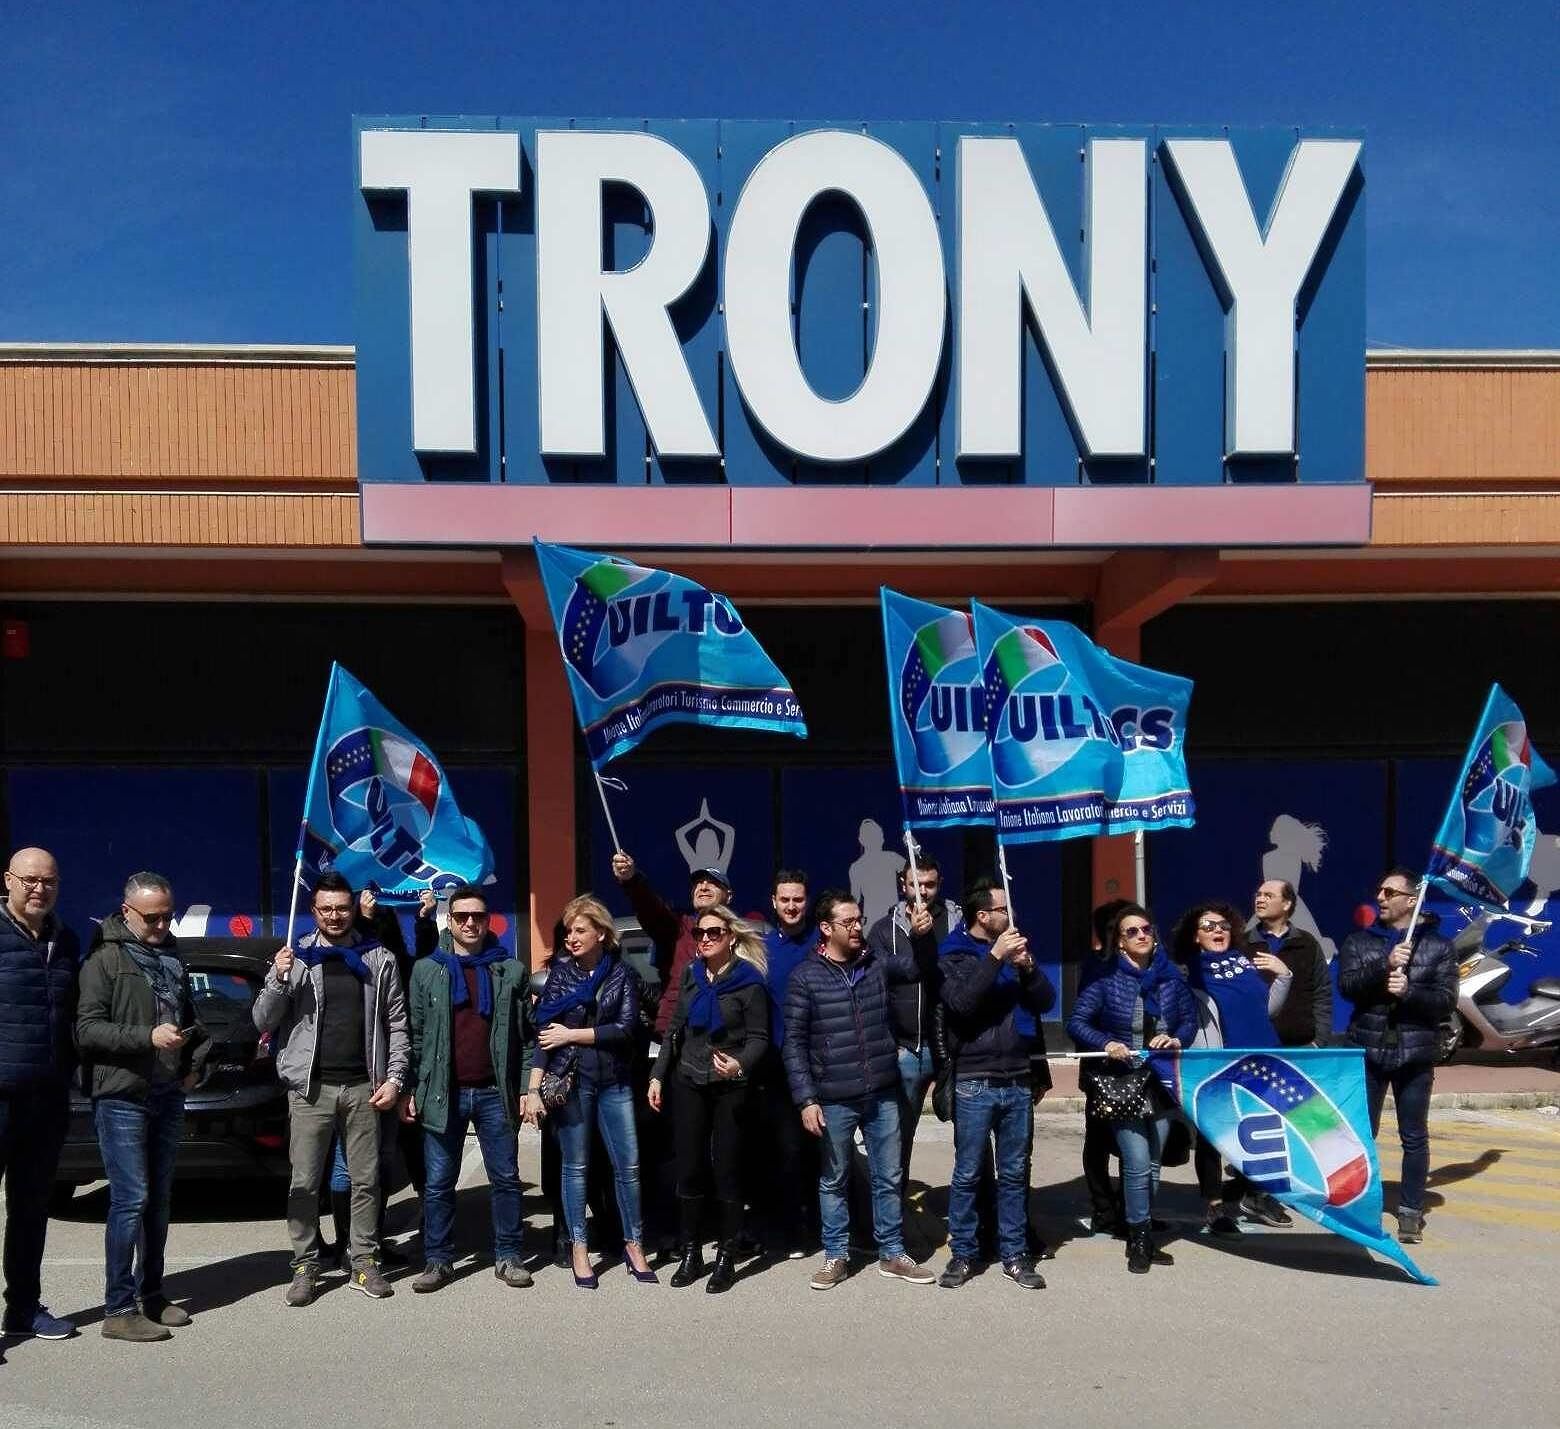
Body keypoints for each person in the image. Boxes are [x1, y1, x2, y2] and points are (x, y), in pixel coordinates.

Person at [251, 871, 410, 1306]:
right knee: (304, 1183)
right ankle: (305, 1264)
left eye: (342, 908)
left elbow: (397, 1024)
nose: (335, 916)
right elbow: (263, 1020)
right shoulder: (297, 957)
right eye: (326, 909)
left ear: (353, 908)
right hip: (310, 1089)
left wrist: (395, 1079)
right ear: (314, 910)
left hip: (364, 1087)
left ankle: (364, 1261)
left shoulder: (378, 958)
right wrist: (278, 979)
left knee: (366, 1181)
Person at [76, 873, 211, 1342]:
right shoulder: (105, 959)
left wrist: (193, 1063)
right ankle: (119, 1308)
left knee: (159, 1198)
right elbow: (86, 1030)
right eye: (151, 918)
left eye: (167, 916)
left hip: (167, 1091)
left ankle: (152, 1293)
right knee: (131, 1198)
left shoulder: (171, 955)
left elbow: (189, 1018)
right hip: (123, 1095)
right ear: (127, 911)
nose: (160, 925)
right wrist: (146, 1037)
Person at [782, 889, 933, 1290]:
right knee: (834, 1179)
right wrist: (806, 1099)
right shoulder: (805, 977)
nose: (856, 927)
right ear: (825, 927)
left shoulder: (876, 964)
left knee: (888, 1175)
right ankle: (836, 1255)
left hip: (881, 1090)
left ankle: (893, 1253)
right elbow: (793, 1043)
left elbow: (917, 969)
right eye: (847, 922)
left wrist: (921, 938)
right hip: (832, 1097)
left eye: (858, 920)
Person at [402, 884, 534, 1292]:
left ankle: (508, 1256)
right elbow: (415, 1036)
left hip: (496, 1092)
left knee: (506, 1179)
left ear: (488, 919)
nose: (471, 923)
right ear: (450, 921)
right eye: (462, 917)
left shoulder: (510, 970)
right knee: (439, 1183)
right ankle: (438, 1260)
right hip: (444, 1092)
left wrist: (527, 1088)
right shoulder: (427, 970)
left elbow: (525, 1037)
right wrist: (411, 1088)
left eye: (478, 916)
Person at [524, 895, 653, 1287]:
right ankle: (578, 1247)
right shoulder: (560, 977)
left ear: (601, 933)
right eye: (569, 931)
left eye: (580, 930)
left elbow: (625, 1029)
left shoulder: (622, 974)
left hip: (615, 1082)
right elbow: (545, 1037)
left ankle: (634, 1245)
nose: (572, 937)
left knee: (628, 1167)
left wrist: (572, 1034)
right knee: (575, 1167)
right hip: (573, 1083)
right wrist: (532, 1089)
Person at [936, 878, 1055, 1291]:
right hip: (975, 1077)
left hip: (1017, 1076)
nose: (1011, 915)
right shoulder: (953, 953)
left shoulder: (1014, 951)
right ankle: (963, 1253)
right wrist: (995, 957)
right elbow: (961, 1004)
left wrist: (1028, 967)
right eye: (1003, 909)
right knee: (968, 1173)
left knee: (1015, 1172)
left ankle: (1015, 1253)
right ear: (983, 916)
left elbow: (1045, 1002)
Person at [1066, 903, 1197, 1273]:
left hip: (1162, 1080)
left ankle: (1140, 1227)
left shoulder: (1172, 979)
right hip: (1121, 1080)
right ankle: (1138, 1240)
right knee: (1137, 1160)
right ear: (1120, 942)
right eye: (1132, 931)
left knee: (1153, 1163)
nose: (1141, 935)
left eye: (1146, 929)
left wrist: (1176, 1038)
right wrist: (1107, 1042)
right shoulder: (1106, 978)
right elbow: (1077, 1021)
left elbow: (1189, 1022)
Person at [649, 904, 769, 1293]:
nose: (705, 939)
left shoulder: (749, 981)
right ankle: (691, 1253)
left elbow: (759, 1039)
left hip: (730, 1086)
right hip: (689, 1079)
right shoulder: (691, 974)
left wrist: (739, 1063)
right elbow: (674, 1030)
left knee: (727, 1170)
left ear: (730, 937)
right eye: (700, 933)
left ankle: (726, 1257)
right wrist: (657, 1075)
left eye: (713, 932)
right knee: (689, 1168)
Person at [1337, 867, 1457, 1245]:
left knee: (1414, 1136)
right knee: (1361, 1134)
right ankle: (1359, 1204)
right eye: (1379, 891)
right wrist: (1383, 965)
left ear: (1411, 900)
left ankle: (1410, 1211)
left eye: (1390, 892)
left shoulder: (1439, 947)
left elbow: (1445, 1002)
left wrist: (1409, 992)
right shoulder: (1360, 941)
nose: (1381, 898)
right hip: (1368, 1050)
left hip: (1415, 1054)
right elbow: (1348, 986)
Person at [1173, 899, 1294, 1235]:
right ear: (1195, 936)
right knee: (1212, 1135)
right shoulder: (1189, 970)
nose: (1218, 931)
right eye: (1209, 926)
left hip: (1262, 1059)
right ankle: (1214, 1206)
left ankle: (1254, 1194)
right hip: (1220, 1063)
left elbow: (1265, 1010)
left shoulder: (1243, 961)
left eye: (1223, 926)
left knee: (1263, 1129)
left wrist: (1284, 976)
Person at [0, 847, 80, 1342]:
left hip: (46, 1100)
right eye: (29, 880)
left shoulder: (65, 939)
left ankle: (24, 1308)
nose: (39, 889)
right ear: (8, 880)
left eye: (48, 881)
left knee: (31, 1210)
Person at [865, 854, 956, 1212]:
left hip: (953, 1046)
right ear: (903, 885)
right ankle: (892, 1215)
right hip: (906, 1048)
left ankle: (976, 1216)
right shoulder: (882, 930)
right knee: (897, 1139)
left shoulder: (957, 923)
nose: (923, 891)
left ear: (939, 884)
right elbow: (875, 984)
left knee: (972, 1139)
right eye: (916, 884)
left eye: (930, 884)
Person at [611, 850, 733, 1041]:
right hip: (675, 1034)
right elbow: (651, 909)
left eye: (713, 883)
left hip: (724, 1035)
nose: (703, 887)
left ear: (729, 896)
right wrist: (632, 880)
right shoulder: (678, 928)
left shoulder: (741, 936)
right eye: (698, 883)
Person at [758, 868, 817, 1256]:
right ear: (774, 902)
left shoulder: (822, 942)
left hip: (820, 1062)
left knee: (821, 1151)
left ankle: (824, 1226)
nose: (792, 906)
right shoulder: (761, 949)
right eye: (785, 899)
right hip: (776, 1066)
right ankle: (790, 1228)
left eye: (798, 899)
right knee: (785, 1150)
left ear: (806, 902)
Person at [1075, 898, 1130, 1236]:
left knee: (1132, 1144)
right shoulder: (1096, 966)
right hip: (1101, 1065)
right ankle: (1104, 1208)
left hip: (1133, 1066)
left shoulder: (1144, 964)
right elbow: (1082, 1018)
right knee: (1098, 1139)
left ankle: (1130, 1208)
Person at [1252, 879, 1334, 1046]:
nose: (1259, 900)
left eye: (1268, 896)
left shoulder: (1307, 943)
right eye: (1258, 895)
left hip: (1302, 1046)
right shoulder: (1243, 944)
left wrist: (1318, 1042)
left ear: (1286, 904)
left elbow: (1322, 993)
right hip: (1255, 1045)